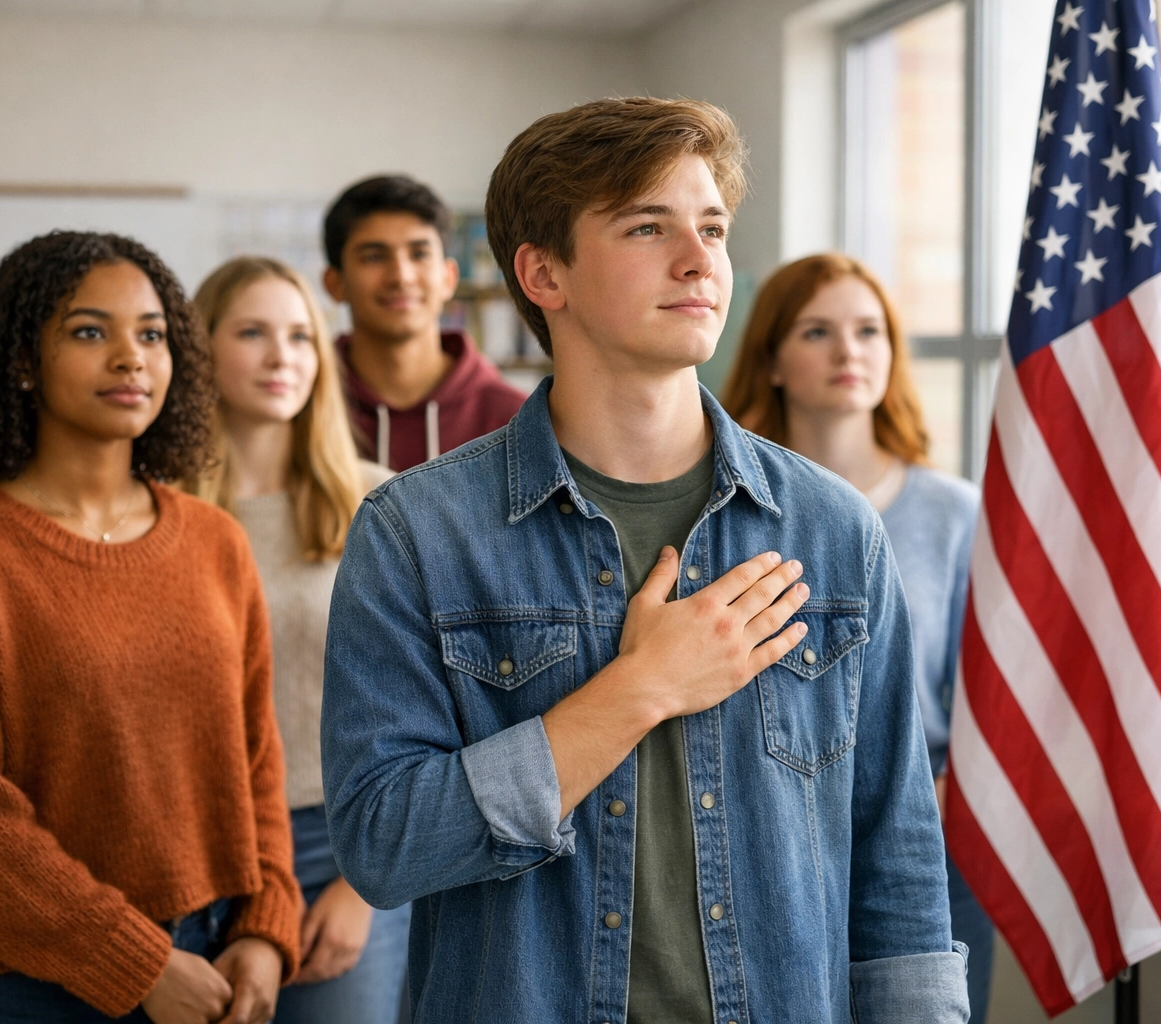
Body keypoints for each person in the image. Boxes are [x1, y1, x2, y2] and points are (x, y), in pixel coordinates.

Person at [322, 98, 969, 1023]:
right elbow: (385, 845)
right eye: (645, 227)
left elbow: (897, 861)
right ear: (544, 273)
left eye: (711, 226)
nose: (700, 259)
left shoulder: (833, 530)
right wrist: (642, 688)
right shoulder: (415, 534)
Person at [0, 232, 301, 1024]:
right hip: (25, 983)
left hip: (212, 955)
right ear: (23, 361)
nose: (131, 358)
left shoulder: (214, 540)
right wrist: (130, 961)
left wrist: (267, 927)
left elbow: (255, 759)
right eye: (89, 331)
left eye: (153, 334)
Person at [722, 252, 993, 1023]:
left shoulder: (954, 511)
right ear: (771, 357)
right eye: (818, 331)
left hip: (928, 837)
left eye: (869, 330)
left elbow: (987, 690)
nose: (850, 352)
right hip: (769, 837)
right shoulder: (729, 508)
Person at [189, 256, 407, 1023]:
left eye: (300, 336)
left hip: (338, 842)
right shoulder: (154, 511)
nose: (283, 356)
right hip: (192, 845)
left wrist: (362, 886)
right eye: (252, 333)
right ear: (198, 348)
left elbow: (434, 705)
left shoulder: (381, 502)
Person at [321, 175, 525, 470]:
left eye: (419, 254)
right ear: (334, 283)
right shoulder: (303, 411)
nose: (401, 276)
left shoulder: (514, 420)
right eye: (374, 256)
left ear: (449, 277)